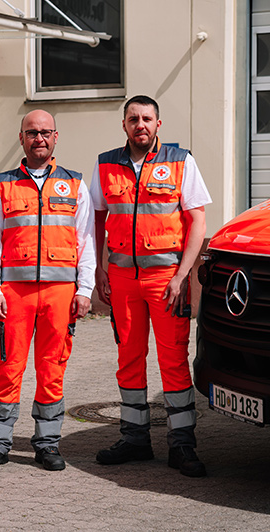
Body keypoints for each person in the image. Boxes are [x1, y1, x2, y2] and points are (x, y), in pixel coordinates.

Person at [92, 95, 211, 477]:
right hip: (123, 279)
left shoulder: (181, 161)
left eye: (147, 118)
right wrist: (99, 268)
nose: (140, 124)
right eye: (133, 119)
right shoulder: (107, 164)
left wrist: (182, 276)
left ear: (158, 124)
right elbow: (96, 219)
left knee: (173, 360)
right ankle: (135, 439)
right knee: (128, 359)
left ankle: (182, 445)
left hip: (167, 281)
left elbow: (198, 223)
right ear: (123, 125)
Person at [0, 110, 95, 473]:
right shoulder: (2, 185)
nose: (39, 138)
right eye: (32, 132)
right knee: (8, 367)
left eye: (45, 132)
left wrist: (85, 288)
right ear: (21, 138)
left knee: (52, 369)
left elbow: (87, 240)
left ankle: (47, 444)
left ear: (56, 137)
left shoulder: (74, 185)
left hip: (61, 293)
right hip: (15, 293)